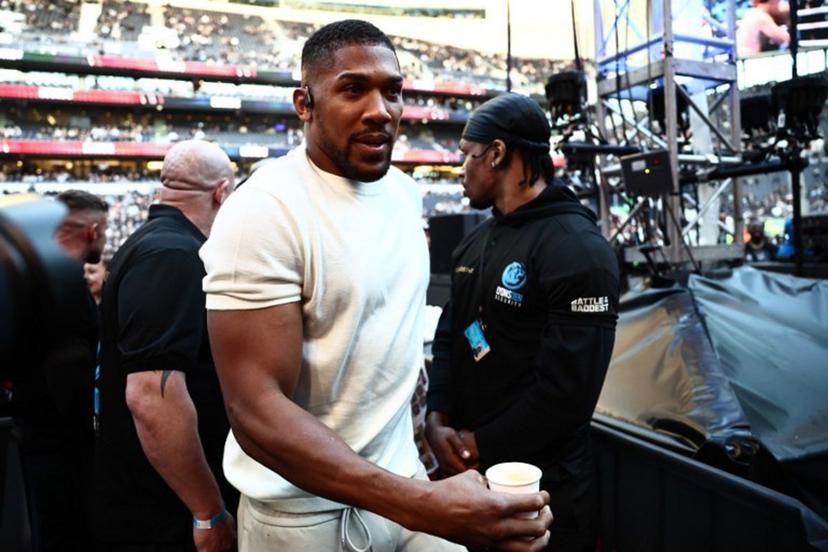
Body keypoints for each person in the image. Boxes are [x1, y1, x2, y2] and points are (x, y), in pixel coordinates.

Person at [201, 19, 552, 552]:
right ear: (304, 104)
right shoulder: (262, 211)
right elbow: (255, 413)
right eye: (353, 89)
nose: (380, 110)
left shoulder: (405, 195)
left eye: (392, 91)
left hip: (402, 485)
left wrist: (430, 446)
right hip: (306, 519)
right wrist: (423, 504)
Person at [425, 93, 620, 552]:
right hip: (471, 479)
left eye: (468, 156)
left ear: (497, 153)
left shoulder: (578, 249)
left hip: (545, 491)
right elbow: (451, 336)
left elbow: (567, 395)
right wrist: (437, 418)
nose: (462, 169)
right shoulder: (474, 242)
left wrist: (477, 443)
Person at [93, 140, 238, 552]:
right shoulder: (171, 255)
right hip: (163, 510)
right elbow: (151, 398)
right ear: (221, 193)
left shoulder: (156, 242)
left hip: (152, 498)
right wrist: (207, 510)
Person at [13, 190, 108, 551]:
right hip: (59, 442)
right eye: (105, 231)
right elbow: (66, 370)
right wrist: (88, 429)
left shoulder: (35, 273)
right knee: (65, 533)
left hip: (35, 430)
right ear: (92, 231)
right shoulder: (63, 283)